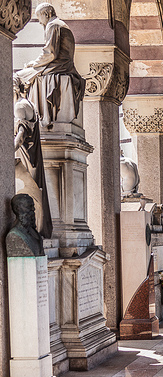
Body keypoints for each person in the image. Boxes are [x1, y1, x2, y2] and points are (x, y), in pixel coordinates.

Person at [13, 3, 85, 127]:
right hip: (62, 66)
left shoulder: (53, 25)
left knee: (17, 77)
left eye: (39, 18)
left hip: (55, 66)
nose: (40, 23)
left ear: (46, 14)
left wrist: (34, 63)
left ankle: (22, 117)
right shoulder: (61, 24)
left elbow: (51, 53)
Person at [14, 78, 52, 238]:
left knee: (29, 198)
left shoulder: (19, 107)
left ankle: (31, 233)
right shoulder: (27, 103)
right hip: (32, 159)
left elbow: (20, 138)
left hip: (25, 161)